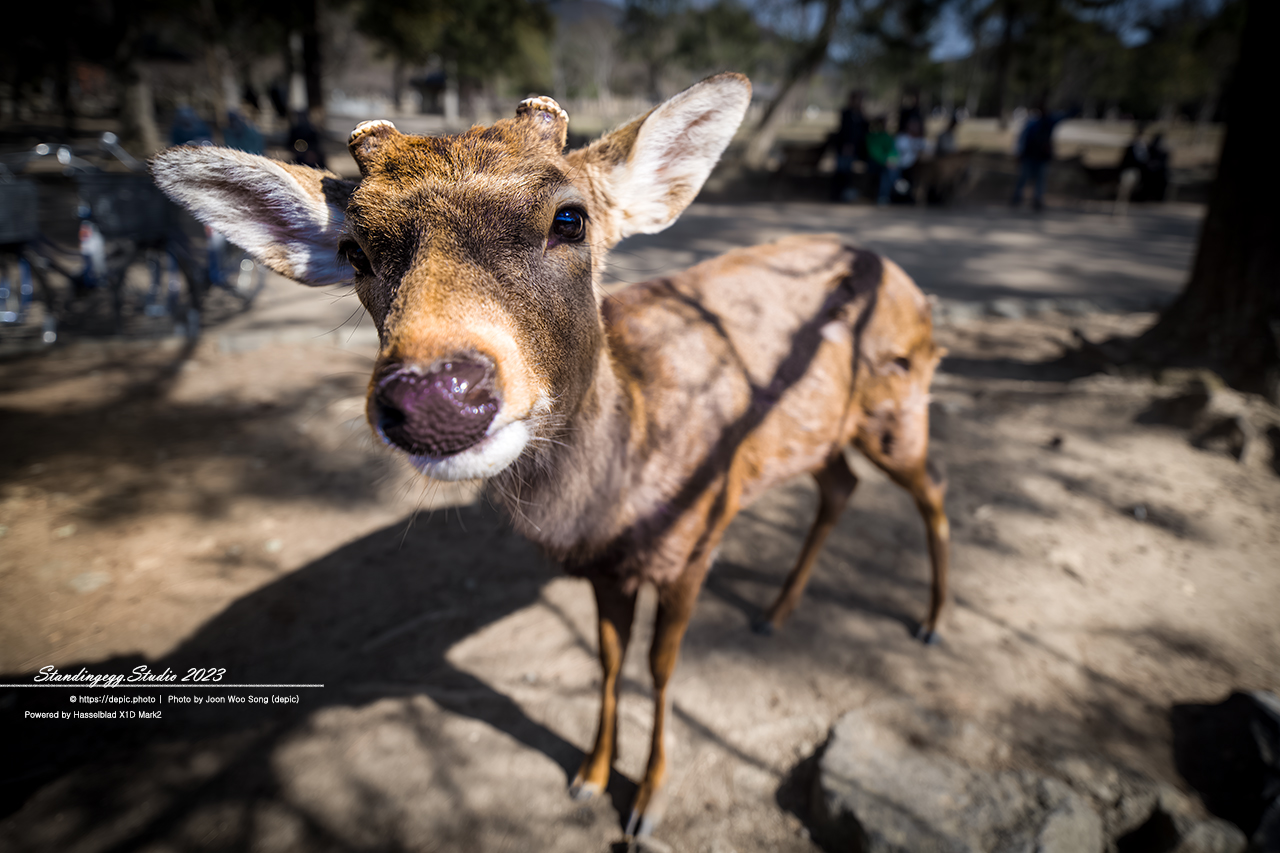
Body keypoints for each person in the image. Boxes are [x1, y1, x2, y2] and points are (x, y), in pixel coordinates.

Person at [1010, 101, 1068, 211]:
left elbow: (1065, 116)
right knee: (1024, 177)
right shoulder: (1031, 122)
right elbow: (1022, 138)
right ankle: (1017, 197)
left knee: (1040, 179)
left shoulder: (1049, 121)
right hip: (1029, 155)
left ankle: (1037, 199)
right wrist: (1018, 152)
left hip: (1042, 157)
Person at [829, 90, 868, 202]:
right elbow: (846, 130)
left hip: (855, 148)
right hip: (844, 147)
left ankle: (844, 195)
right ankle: (835, 195)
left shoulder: (860, 114)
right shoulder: (846, 113)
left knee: (848, 172)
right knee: (841, 171)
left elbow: (865, 129)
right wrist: (847, 145)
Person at [893, 116, 929, 203]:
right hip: (901, 166)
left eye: (916, 126)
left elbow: (928, 151)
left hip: (917, 168)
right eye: (912, 126)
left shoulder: (922, 140)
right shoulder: (901, 138)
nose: (915, 128)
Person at [866, 117, 898, 206]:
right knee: (888, 173)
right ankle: (884, 195)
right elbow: (874, 153)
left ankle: (895, 189)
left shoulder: (887, 136)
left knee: (891, 170)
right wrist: (886, 161)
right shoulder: (871, 137)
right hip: (875, 163)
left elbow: (893, 151)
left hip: (888, 163)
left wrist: (892, 159)